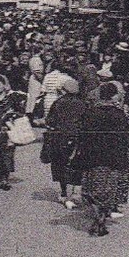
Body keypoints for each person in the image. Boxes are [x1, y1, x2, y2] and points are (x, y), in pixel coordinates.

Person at [77, 81, 129, 236]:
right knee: (109, 190)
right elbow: (126, 136)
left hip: (93, 159)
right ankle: (102, 218)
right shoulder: (119, 114)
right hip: (114, 159)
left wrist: (81, 153)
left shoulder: (90, 113)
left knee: (92, 189)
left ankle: (98, 218)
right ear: (113, 96)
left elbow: (82, 136)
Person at [44, 76, 87, 208]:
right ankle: (75, 192)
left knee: (60, 164)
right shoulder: (82, 104)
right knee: (77, 164)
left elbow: (50, 121)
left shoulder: (58, 103)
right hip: (78, 138)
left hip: (60, 138)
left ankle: (64, 193)